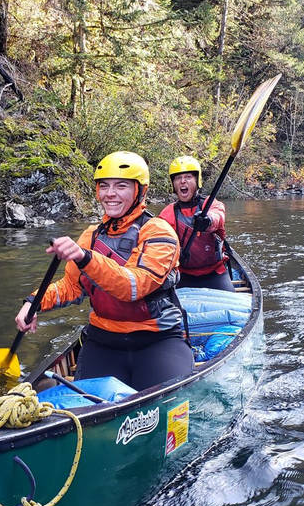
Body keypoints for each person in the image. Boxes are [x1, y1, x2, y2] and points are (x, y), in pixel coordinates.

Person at [15, 151, 194, 391]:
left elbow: (133, 286)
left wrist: (84, 257)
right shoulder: (91, 235)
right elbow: (71, 287)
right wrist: (33, 302)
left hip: (156, 339)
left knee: (171, 402)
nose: (110, 194)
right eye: (104, 186)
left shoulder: (159, 233)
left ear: (140, 190)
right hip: (103, 340)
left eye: (121, 186)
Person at [159, 154, 235, 292]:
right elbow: (159, 239)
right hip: (183, 275)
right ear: (173, 184)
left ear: (197, 180)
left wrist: (208, 221)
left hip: (215, 273)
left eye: (188, 177)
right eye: (178, 178)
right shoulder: (168, 212)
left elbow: (218, 216)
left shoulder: (210, 204)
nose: (182, 181)